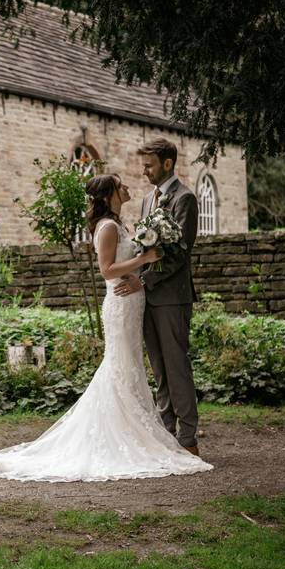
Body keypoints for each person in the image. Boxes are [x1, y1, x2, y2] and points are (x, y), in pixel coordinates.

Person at [0, 173, 212, 481]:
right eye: (120, 186)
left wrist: (145, 262)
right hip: (120, 304)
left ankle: (134, 431)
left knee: (131, 368)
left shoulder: (121, 224)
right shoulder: (108, 227)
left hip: (132, 303)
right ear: (108, 195)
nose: (126, 188)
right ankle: (122, 435)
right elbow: (107, 270)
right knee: (120, 367)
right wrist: (148, 257)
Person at [113, 138, 202, 456]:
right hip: (146, 297)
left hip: (172, 297)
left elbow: (179, 254)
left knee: (177, 366)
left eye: (149, 164)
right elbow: (144, 247)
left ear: (167, 163)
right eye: (143, 164)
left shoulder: (185, 199)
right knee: (159, 367)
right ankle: (167, 433)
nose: (144, 170)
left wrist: (144, 280)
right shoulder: (149, 199)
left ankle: (189, 437)